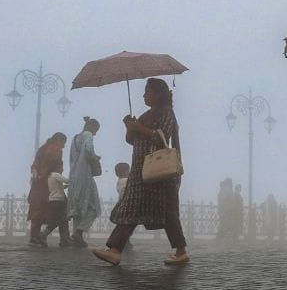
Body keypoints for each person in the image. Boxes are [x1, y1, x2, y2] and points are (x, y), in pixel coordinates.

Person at [92, 78, 189, 266]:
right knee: (135, 208)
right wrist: (129, 128)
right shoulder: (145, 116)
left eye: (148, 91)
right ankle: (117, 250)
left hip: (158, 172)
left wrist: (139, 128)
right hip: (139, 171)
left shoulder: (167, 113)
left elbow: (161, 139)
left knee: (161, 211)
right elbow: (133, 141)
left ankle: (116, 250)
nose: (144, 95)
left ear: (159, 94)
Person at [64, 117, 100, 249]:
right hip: (85, 175)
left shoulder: (75, 138)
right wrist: (95, 158)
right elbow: (89, 149)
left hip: (74, 175)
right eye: (96, 130)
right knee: (94, 207)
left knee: (77, 207)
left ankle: (76, 236)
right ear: (92, 127)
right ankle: (79, 233)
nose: (95, 134)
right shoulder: (88, 134)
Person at [26, 133, 67, 248]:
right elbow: (53, 165)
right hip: (47, 183)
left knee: (38, 210)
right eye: (63, 143)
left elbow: (35, 164)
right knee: (60, 210)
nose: (63, 147)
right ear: (59, 140)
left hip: (38, 183)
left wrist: (36, 174)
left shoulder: (43, 148)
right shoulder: (56, 149)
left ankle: (35, 236)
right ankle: (62, 238)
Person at [38, 165, 72, 247]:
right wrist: (74, 180)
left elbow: (56, 188)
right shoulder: (56, 175)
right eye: (61, 168)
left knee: (62, 220)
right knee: (59, 220)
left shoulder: (49, 177)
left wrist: (64, 187)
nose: (62, 169)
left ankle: (64, 240)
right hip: (59, 201)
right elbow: (67, 180)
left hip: (53, 200)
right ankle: (44, 234)